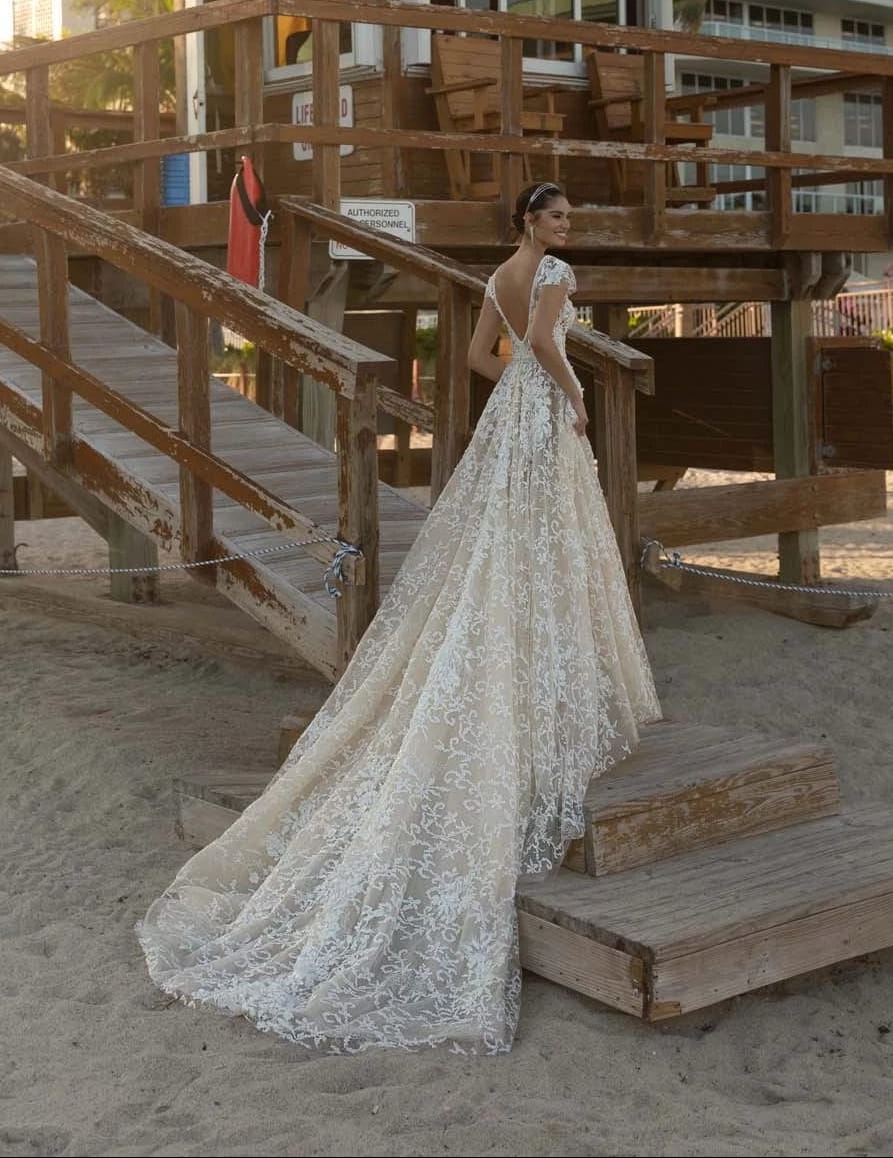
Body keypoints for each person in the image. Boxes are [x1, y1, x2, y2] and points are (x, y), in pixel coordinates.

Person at [137, 183, 661, 1055]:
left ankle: (517, 659)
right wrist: (567, 392)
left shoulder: (499, 272)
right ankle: (543, 672)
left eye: (567, 220)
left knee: (510, 548)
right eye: (556, 217)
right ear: (532, 222)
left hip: (507, 416)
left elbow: (480, 358)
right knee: (545, 545)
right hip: (538, 419)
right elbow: (535, 344)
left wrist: (530, 380)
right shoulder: (555, 272)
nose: (566, 229)